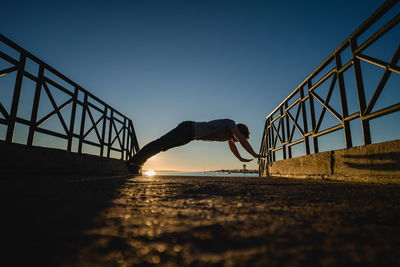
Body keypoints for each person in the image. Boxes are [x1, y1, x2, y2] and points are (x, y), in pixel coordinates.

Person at [127, 119, 262, 173]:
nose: (238, 140)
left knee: (163, 147)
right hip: (187, 128)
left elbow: (233, 147)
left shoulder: (229, 136)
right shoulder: (231, 124)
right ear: (239, 131)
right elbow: (242, 142)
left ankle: (137, 162)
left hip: (190, 136)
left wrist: (240, 159)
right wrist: (254, 154)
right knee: (161, 143)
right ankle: (135, 161)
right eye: (240, 137)